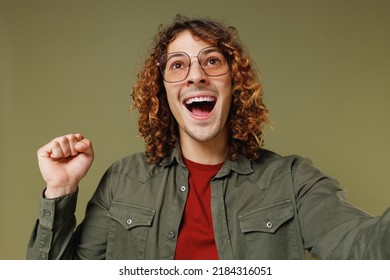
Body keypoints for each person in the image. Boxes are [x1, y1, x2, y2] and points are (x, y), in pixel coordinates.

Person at [27, 15, 390, 260]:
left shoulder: (292, 181)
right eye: (178, 64)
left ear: (234, 84)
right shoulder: (123, 182)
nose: (196, 75)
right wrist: (60, 191)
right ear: (162, 92)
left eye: (212, 61)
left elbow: (365, 250)